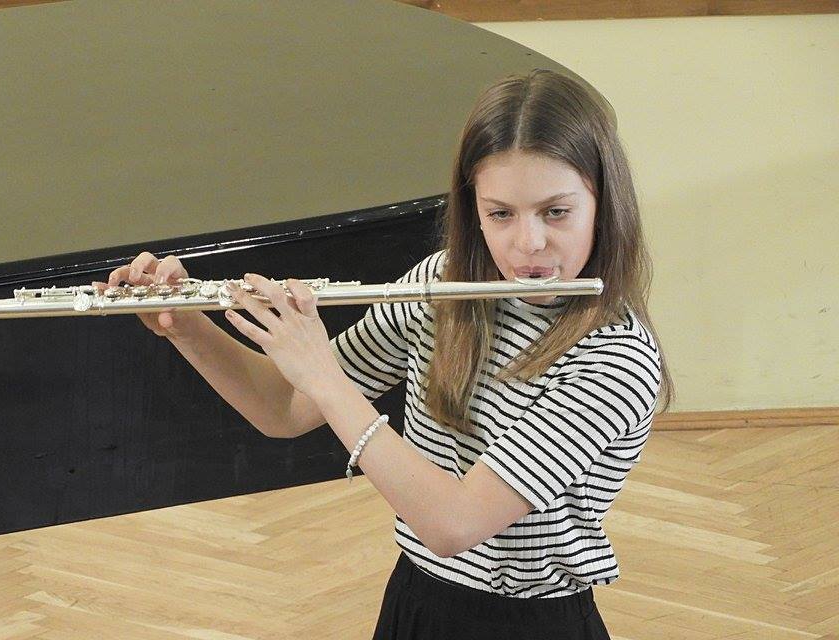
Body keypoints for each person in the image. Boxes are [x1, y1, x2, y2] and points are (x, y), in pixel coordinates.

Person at [97, 68, 674, 639]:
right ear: (474, 209)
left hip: (530, 625)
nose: (529, 243)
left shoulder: (616, 360)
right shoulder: (440, 284)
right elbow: (284, 409)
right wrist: (186, 325)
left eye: (556, 211)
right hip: (417, 600)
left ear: (604, 203)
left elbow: (453, 524)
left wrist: (326, 379)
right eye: (501, 213)